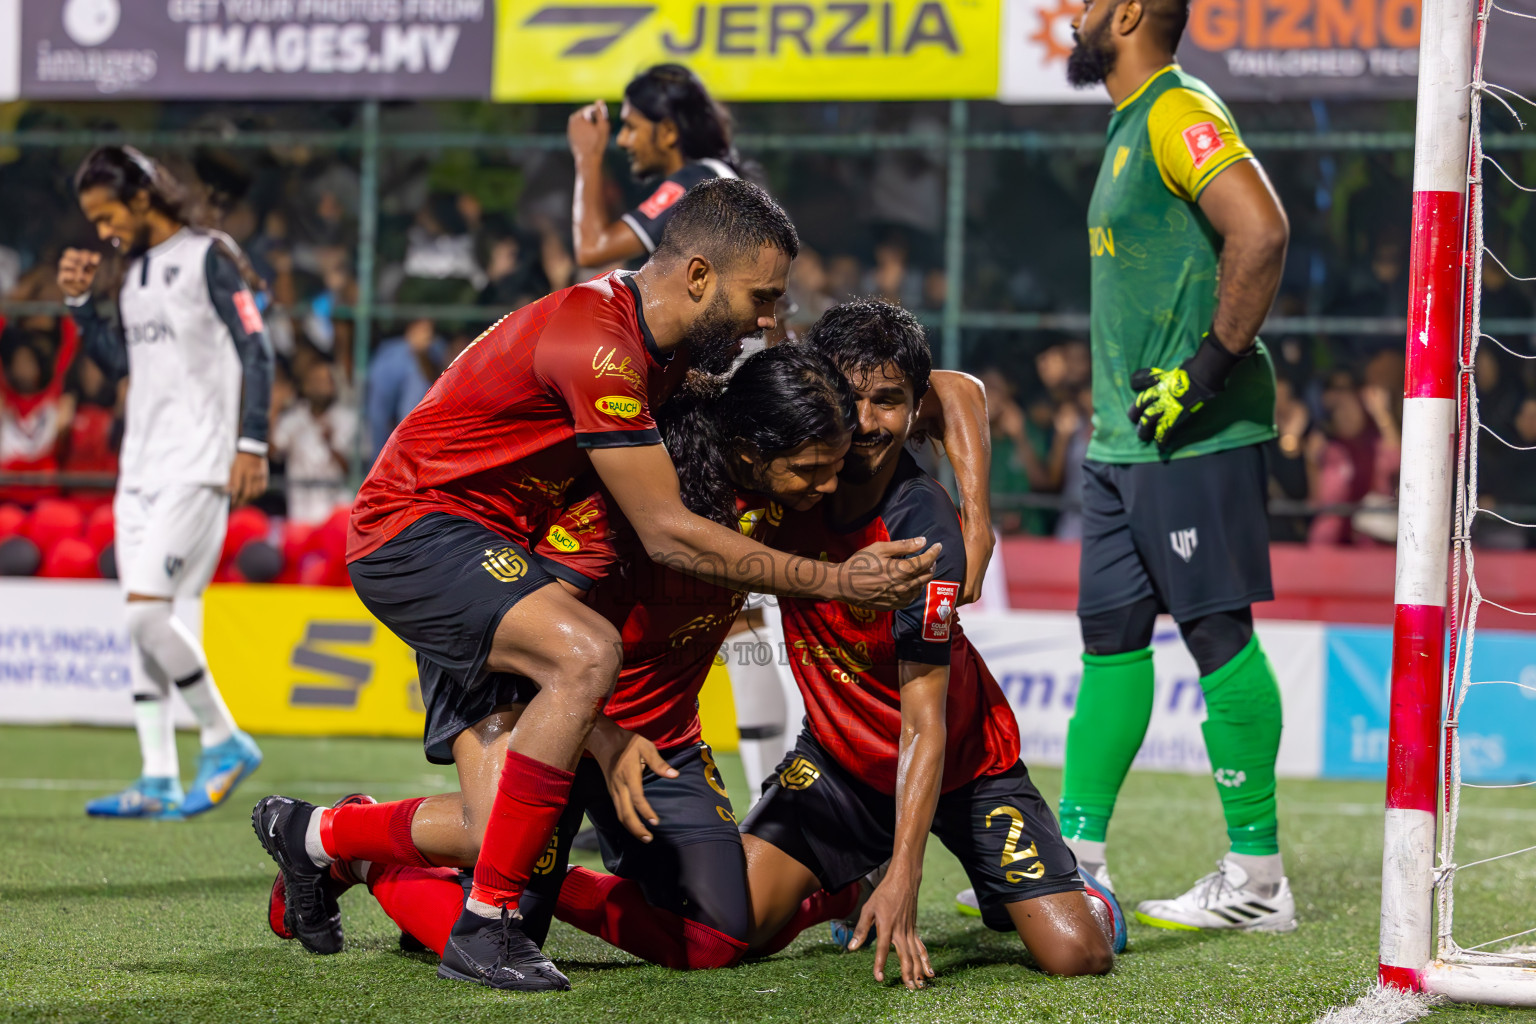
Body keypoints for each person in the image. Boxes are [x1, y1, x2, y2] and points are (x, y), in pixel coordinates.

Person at [249, 178, 939, 992]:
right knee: (574, 672)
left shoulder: (678, 360)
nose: (769, 320)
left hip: (511, 563)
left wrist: (975, 494)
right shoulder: (600, 345)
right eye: (762, 298)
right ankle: (477, 914)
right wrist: (835, 580)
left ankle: (326, 840)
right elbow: (665, 532)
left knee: (520, 835)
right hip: (420, 529)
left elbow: (949, 390)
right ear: (696, 277)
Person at [739, 301, 1120, 989]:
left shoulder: (923, 533)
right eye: (847, 398)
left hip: (964, 768)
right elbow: (956, 386)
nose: (862, 422)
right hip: (841, 760)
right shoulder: (786, 478)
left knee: (1077, 954)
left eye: (887, 402)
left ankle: (1077, 888)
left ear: (915, 413)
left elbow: (925, 722)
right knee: (741, 921)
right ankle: (854, 884)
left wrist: (909, 873)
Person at [1041, 0, 1295, 932]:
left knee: (1217, 634)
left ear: (1130, 11)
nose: (1073, 15)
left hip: (1191, 434)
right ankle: (1071, 862)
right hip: (1121, 444)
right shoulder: (1128, 120)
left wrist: (1205, 372)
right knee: (1109, 642)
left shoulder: (1174, 110)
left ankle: (1259, 881)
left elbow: (1260, 231)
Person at [57, 145, 271, 819]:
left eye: (107, 213)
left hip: (198, 465)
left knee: (150, 612)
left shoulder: (210, 254)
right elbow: (125, 360)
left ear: (143, 198)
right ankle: (154, 778)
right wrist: (80, 303)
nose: (101, 231)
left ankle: (222, 737)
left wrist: (251, 443)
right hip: (140, 470)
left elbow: (255, 346)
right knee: (141, 624)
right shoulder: (138, 271)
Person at [568, 64, 742, 268]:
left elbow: (592, 250)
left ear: (668, 131)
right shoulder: (708, 177)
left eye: (631, 127)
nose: (622, 140)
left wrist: (587, 155)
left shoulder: (699, 184)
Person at [271, 359, 356, 524]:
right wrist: (274, 408)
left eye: (325, 381)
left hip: (337, 512)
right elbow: (272, 452)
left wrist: (331, 444)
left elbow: (354, 470)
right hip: (301, 513)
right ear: (305, 386)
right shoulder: (293, 418)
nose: (320, 386)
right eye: (316, 381)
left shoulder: (347, 419)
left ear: (334, 385)